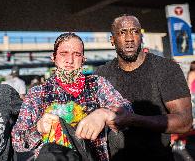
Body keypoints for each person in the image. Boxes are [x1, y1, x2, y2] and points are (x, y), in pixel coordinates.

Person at [12, 33, 132, 160]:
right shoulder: (37, 93)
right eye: (63, 54)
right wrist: (38, 129)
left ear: (83, 60)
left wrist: (105, 113)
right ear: (53, 58)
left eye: (77, 54)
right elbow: (17, 141)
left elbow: (128, 110)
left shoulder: (97, 84)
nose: (70, 60)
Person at [94, 14, 193, 161]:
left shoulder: (166, 69)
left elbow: (184, 122)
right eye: (122, 32)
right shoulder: (101, 75)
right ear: (112, 40)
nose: (129, 38)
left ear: (141, 36)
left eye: (135, 31)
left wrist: (133, 119)